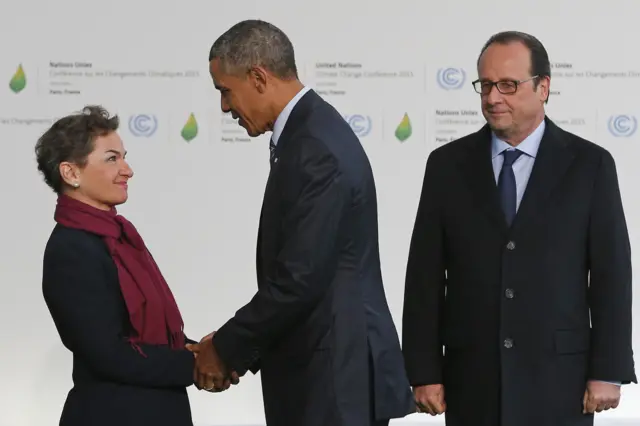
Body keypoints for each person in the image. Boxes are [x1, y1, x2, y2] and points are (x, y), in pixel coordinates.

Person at [402, 31, 636, 426]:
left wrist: (608, 369)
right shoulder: (445, 165)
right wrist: (423, 371)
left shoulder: (591, 166)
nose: (493, 98)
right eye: (486, 85)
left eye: (508, 85)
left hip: (561, 382)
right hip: (471, 379)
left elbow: (611, 275)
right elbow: (424, 276)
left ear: (543, 87)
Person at [188, 19, 414, 426]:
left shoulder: (314, 146)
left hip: (332, 380)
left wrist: (225, 347)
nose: (224, 107)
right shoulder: (311, 132)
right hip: (327, 372)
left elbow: (299, 280)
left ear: (258, 77)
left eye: (225, 91)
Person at [36, 106, 202, 426]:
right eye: (112, 159)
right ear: (71, 173)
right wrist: (196, 364)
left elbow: (147, 334)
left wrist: (198, 349)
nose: (127, 170)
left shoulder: (119, 237)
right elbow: (108, 355)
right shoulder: (70, 249)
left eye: (124, 157)